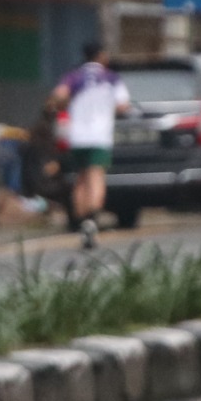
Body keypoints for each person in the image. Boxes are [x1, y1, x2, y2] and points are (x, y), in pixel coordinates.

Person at [50, 42, 129, 250]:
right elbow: (123, 105)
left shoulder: (74, 76)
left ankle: (82, 221)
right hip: (99, 136)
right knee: (96, 177)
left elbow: (59, 95)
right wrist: (107, 109)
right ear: (101, 55)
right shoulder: (111, 78)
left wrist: (66, 105)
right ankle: (92, 221)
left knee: (81, 179)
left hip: (77, 136)